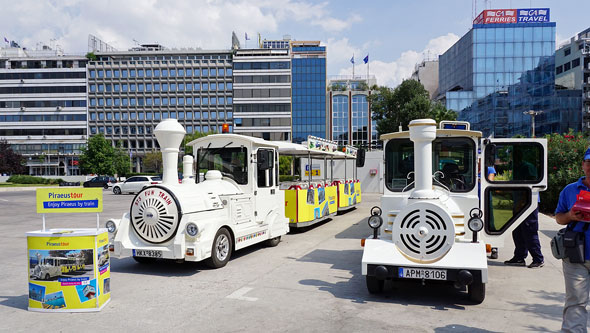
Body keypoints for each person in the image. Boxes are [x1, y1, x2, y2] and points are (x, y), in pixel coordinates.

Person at [555, 147, 590, 332]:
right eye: (589, 162)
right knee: (576, 302)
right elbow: (559, 218)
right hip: (576, 254)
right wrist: (570, 215)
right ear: (583, 165)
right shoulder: (570, 190)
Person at [504, 148, 544, 268]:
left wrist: (522, 202)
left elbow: (530, 187)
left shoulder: (527, 167)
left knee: (529, 230)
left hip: (528, 204)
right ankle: (519, 257)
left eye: (511, 155)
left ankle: (538, 258)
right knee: (517, 231)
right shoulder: (516, 167)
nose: (509, 158)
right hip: (518, 204)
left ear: (517, 155)